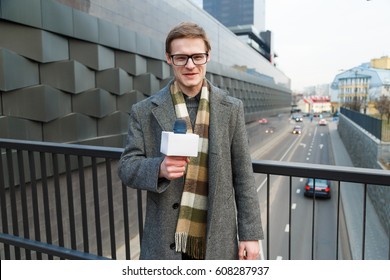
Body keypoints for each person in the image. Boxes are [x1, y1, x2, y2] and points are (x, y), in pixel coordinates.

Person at [118, 21, 263, 260]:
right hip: (165, 241)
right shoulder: (144, 111)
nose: (190, 65)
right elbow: (126, 166)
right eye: (181, 58)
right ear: (168, 58)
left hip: (218, 237)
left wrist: (250, 234)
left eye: (197, 57)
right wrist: (159, 168)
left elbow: (243, 174)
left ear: (208, 57)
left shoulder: (232, 108)